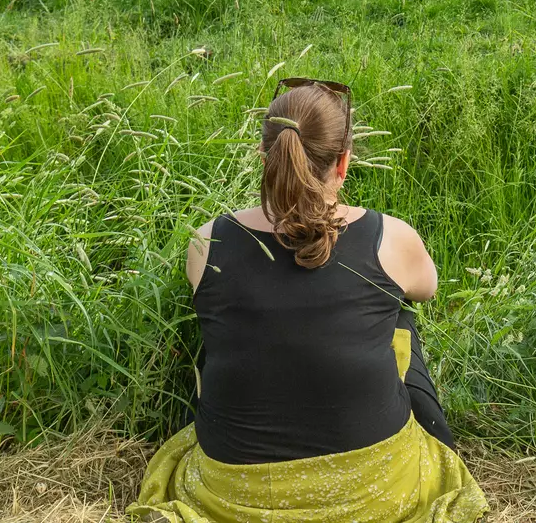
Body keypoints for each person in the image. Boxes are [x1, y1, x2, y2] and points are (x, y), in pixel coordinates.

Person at [129, 78, 488, 523]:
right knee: (398, 315)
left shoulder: (207, 241)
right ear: (344, 162)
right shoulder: (391, 238)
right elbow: (427, 289)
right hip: (374, 492)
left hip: (233, 496)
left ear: (264, 157)